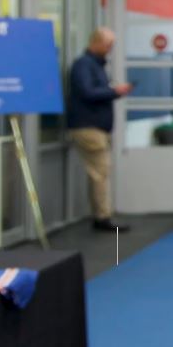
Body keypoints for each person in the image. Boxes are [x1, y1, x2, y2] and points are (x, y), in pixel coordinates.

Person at [67, 27, 133, 232]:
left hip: (96, 127)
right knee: (100, 172)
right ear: (95, 42)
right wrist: (113, 91)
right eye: (107, 45)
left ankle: (101, 214)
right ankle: (102, 217)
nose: (110, 49)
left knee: (100, 172)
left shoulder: (95, 66)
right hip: (88, 128)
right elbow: (88, 92)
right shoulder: (83, 66)